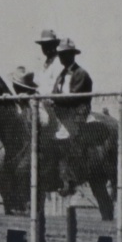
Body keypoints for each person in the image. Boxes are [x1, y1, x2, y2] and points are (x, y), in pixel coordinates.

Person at [49, 38, 93, 192]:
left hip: (77, 113)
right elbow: (55, 92)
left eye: (65, 54)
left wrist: (54, 99)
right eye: (60, 54)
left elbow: (74, 97)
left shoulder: (81, 73)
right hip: (61, 113)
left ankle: (70, 178)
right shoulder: (61, 74)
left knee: (66, 139)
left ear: (72, 55)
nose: (62, 57)